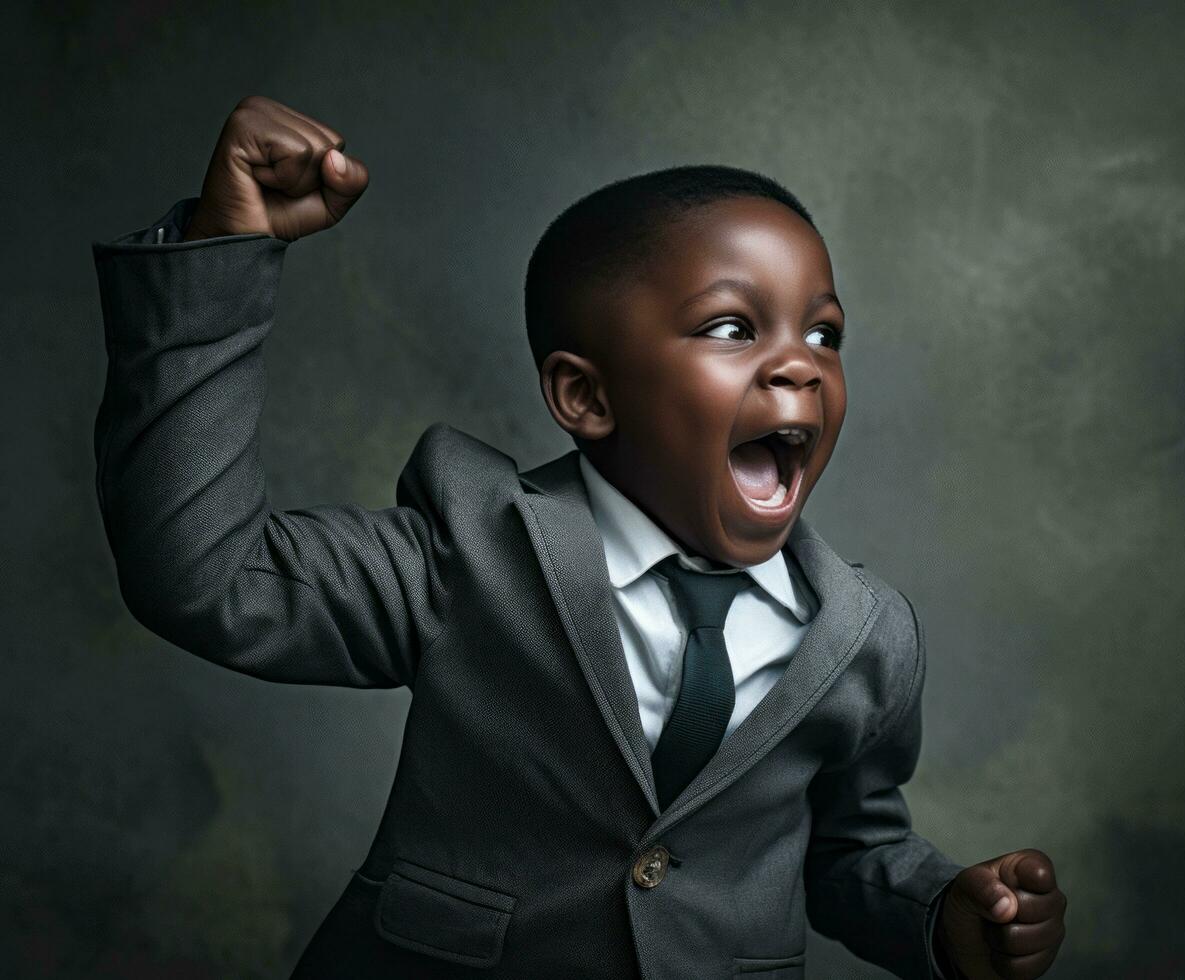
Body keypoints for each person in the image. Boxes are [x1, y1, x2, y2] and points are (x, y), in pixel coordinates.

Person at [91, 95, 1066, 980]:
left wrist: (938, 914)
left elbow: (844, 849)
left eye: (822, 332)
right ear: (585, 395)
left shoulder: (866, 632)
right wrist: (220, 257)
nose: (799, 366)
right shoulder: (466, 549)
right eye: (732, 327)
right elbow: (205, 571)